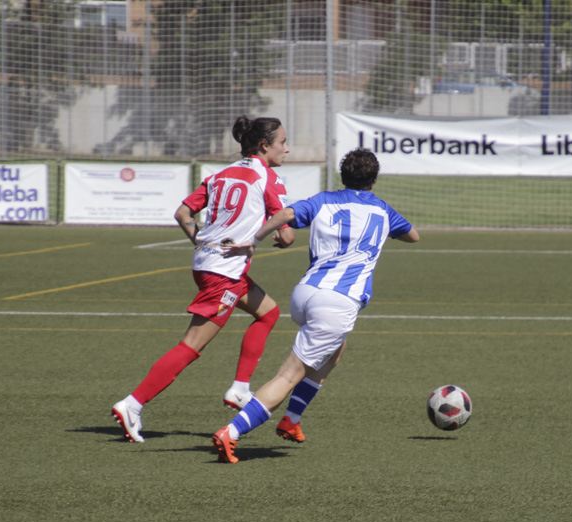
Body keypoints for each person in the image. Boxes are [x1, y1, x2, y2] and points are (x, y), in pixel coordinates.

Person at [210, 148, 420, 463]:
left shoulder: (323, 200)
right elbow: (414, 236)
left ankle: (291, 420)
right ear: (374, 181)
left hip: (305, 294)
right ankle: (231, 432)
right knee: (288, 375)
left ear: (342, 176)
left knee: (335, 350)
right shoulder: (383, 210)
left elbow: (283, 216)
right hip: (336, 303)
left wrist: (253, 240)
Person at [111, 115, 295, 443]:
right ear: (265, 146)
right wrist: (281, 236)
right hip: (223, 275)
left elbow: (182, 214)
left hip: (211, 266)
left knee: (268, 312)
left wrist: (203, 242)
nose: (288, 149)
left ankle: (240, 388)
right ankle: (132, 404)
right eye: (283, 143)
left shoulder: (219, 175)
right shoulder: (266, 178)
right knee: (191, 345)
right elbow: (287, 234)